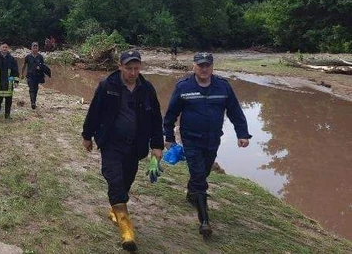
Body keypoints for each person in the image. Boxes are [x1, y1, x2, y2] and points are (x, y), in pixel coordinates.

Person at [81, 50, 164, 251]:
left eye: (136, 68)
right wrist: (87, 135)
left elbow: (155, 119)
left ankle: (115, 210)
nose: (133, 72)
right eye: (129, 68)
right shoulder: (107, 86)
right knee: (115, 178)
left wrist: (157, 145)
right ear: (120, 66)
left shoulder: (147, 89)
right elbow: (95, 111)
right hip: (111, 143)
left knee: (126, 180)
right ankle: (126, 230)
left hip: (135, 146)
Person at [163, 52, 251, 237]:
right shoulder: (184, 87)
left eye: (207, 65)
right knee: (200, 178)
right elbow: (171, 115)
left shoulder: (223, 87)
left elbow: (235, 111)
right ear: (193, 66)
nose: (204, 69)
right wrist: (169, 137)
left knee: (203, 172)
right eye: (200, 65)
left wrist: (242, 133)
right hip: (191, 139)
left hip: (213, 140)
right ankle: (204, 221)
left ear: (212, 67)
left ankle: (191, 193)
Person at [21, 42, 48, 109]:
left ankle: (34, 101)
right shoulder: (28, 57)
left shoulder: (40, 57)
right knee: (31, 89)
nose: (35, 48)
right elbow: (24, 65)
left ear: (38, 48)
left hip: (37, 76)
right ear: (31, 48)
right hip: (30, 75)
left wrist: (42, 71)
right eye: (34, 47)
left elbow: (43, 66)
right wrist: (22, 74)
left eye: (36, 47)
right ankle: (32, 103)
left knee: (36, 89)